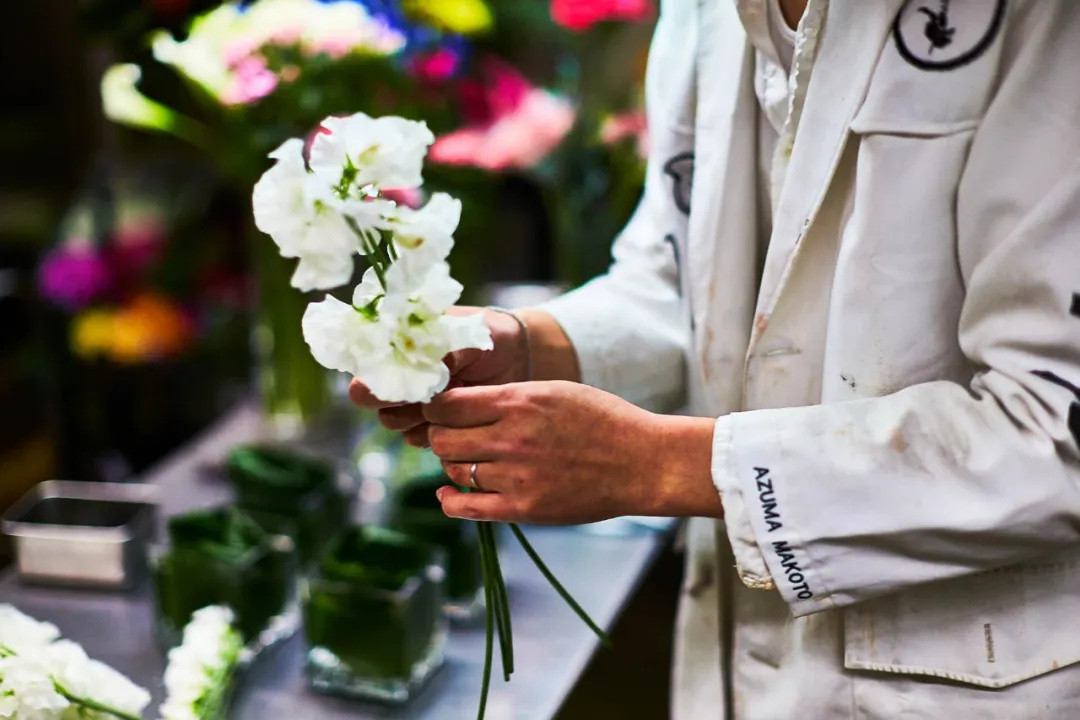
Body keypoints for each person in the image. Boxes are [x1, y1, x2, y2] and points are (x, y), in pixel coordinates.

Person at [351, 0, 1080, 716]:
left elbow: (1053, 425)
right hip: (730, 661)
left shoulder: (1044, 24)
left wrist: (659, 464)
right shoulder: (702, 14)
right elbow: (680, 283)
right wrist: (531, 344)